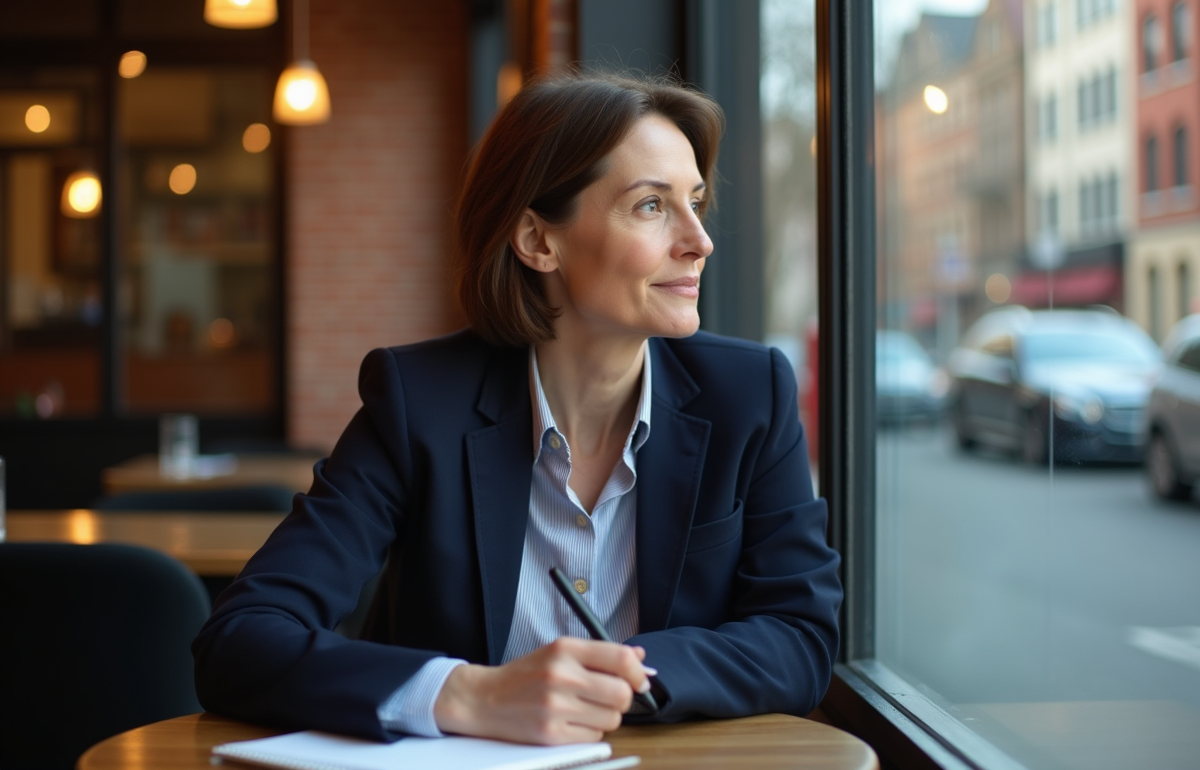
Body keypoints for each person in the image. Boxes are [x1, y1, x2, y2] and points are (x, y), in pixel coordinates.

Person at [192, 72, 842, 745]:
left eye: (695, 203)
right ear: (538, 240)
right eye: (651, 206)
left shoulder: (751, 395)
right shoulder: (419, 404)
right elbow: (239, 640)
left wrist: (622, 677)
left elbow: (799, 638)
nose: (699, 241)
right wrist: (468, 693)